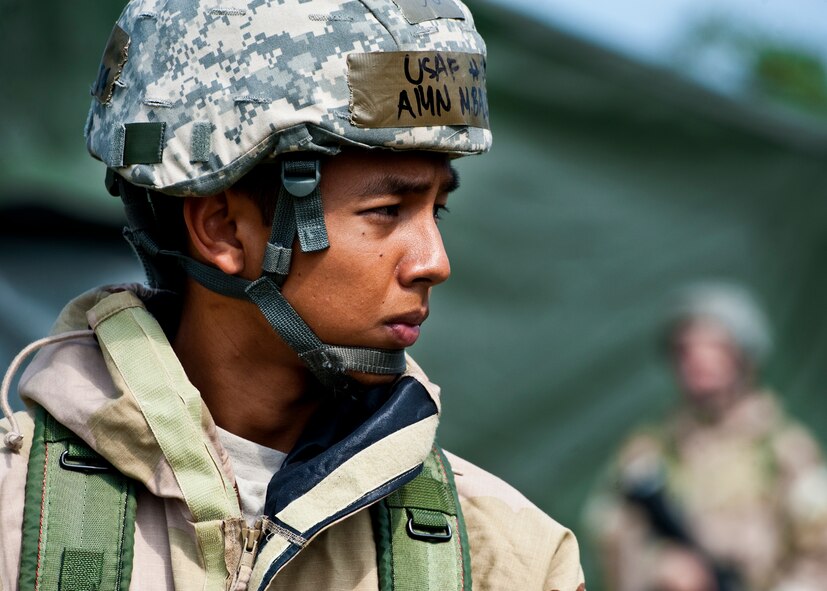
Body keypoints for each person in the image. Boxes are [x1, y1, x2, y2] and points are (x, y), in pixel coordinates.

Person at [0, 0, 585, 589]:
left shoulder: (505, 559)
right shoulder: (15, 518)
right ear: (224, 229)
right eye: (387, 212)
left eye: (439, 209)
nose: (435, 263)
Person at [585, 282, 827, 591]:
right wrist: (655, 567)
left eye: (714, 348)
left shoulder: (786, 450)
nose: (698, 362)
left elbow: (819, 557)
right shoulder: (647, 452)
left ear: (743, 357)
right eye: (685, 350)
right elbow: (609, 536)